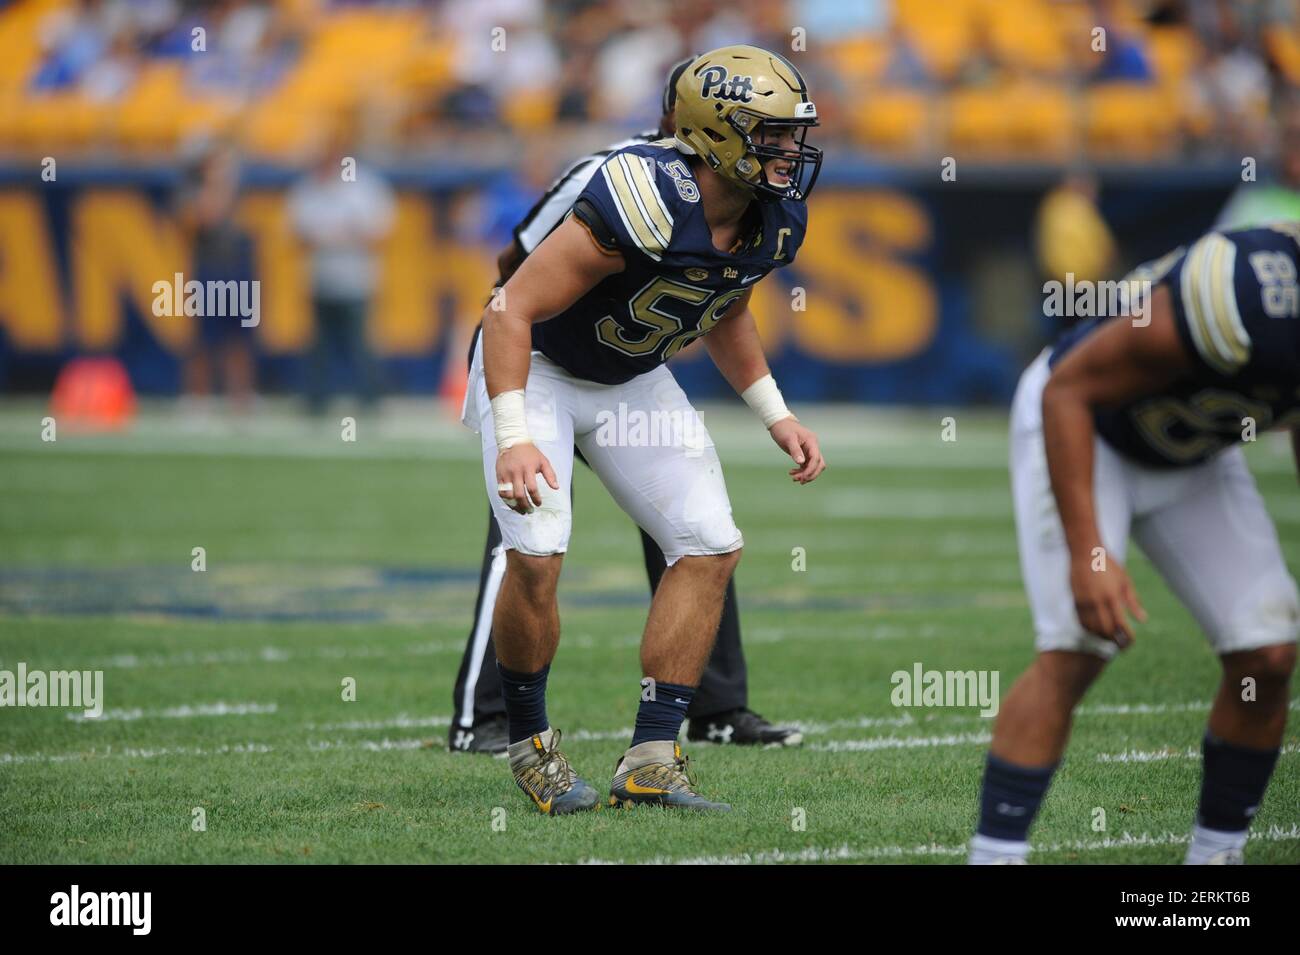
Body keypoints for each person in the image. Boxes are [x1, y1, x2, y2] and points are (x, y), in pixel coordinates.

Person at [464, 45, 826, 814]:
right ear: (717, 134)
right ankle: (530, 746)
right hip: (542, 370)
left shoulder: (773, 212)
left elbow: (725, 306)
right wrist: (515, 428)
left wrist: (776, 413)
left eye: (794, 133)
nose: (790, 150)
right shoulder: (640, 190)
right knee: (536, 550)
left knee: (708, 541)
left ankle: (652, 756)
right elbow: (511, 307)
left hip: (629, 380)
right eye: (772, 133)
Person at [970, 222, 1300, 863]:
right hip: (1086, 424)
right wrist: (1090, 555)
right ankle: (995, 857)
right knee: (1079, 645)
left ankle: (1213, 866)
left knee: (1269, 651)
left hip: (1195, 447)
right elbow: (1069, 387)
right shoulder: (1246, 290)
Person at [287, 136, 395, 415]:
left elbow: (380, 233)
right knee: (318, 345)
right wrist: (334, 236)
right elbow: (297, 234)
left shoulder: (364, 187)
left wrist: (344, 236)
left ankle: (370, 400)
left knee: (360, 344)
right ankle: (316, 400)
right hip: (320, 278)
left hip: (356, 280)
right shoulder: (308, 187)